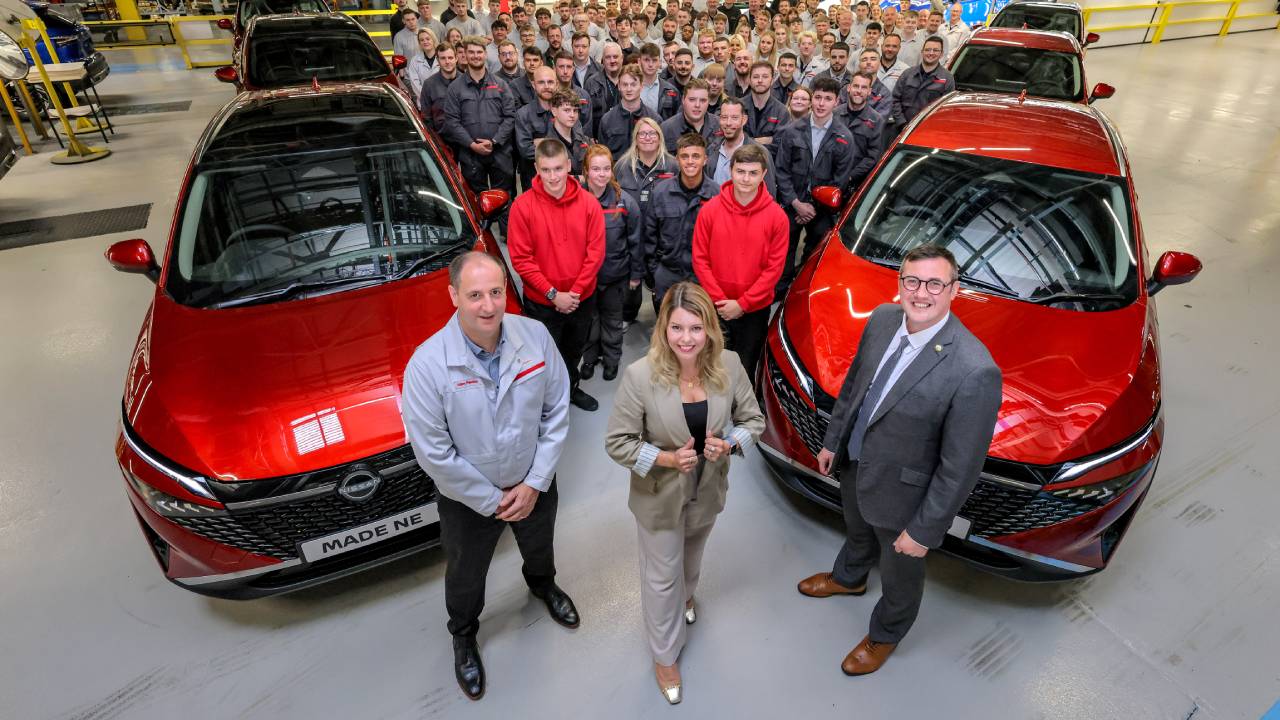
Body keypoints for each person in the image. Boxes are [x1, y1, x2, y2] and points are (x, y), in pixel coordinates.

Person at [796, 244, 1002, 676]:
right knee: (855, 526)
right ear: (900, 284)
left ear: (954, 289)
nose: (920, 293)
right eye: (912, 281)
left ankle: (886, 633)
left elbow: (960, 466)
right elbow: (855, 385)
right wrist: (834, 440)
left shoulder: (973, 369)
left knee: (900, 572)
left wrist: (925, 529)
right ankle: (849, 578)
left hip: (906, 496)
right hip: (855, 461)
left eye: (934, 283)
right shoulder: (883, 319)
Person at [401, 251, 581, 702]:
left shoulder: (535, 336)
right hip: (468, 499)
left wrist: (536, 481)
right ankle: (463, 634)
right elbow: (433, 452)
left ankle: (542, 585)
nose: (488, 306)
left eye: (496, 292)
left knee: (539, 545)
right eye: (475, 295)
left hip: (531, 480)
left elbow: (557, 411)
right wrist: (490, 499)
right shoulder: (428, 364)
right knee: (466, 572)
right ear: (454, 296)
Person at [604, 281, 764, 705]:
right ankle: (665, 655)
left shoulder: (729, 364)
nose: (687, 339)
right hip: (659, 495)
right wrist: (667, 459)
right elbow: (617, 442)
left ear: (710, 328)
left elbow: (754, 421)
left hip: (707, 490)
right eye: (677, 328)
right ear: (663, 329)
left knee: (691, 558)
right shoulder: (640, 376)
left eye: (696, 328)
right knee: (661, 578)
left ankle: (688, 596)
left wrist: (729, 444)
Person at [507, 138, 606, 412]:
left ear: (569, 166)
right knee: (545, 356)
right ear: (536, 169)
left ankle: (572, 388)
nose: (553, 177)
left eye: (558, 168)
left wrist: (573, 293)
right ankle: (550, 401)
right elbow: (521, 259)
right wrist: (553, 294)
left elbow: (595, 253)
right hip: (542, 304)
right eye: (546, 170)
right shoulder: (522, 207)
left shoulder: (588, 204)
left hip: (580, 299)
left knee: (574, 350)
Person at [692, 143, 787, 375]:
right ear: (731, 171)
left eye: (753, 173)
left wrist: (743, 304)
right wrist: (720, 301)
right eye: (740, 171)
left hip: (755, 310)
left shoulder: (777, 217)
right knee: (712, 364)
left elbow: (774, 270)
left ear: (764, 174)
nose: (746, 179)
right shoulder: (710, 211)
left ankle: (740, 410)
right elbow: (700, 259)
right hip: (716, 306)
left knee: (746, 366)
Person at [773, 76, 854, 297]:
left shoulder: (844, 137)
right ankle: (780, 292)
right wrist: (796, 203)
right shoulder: (792, 131)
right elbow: (781, 170)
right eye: (817, 97)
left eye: (827, 99)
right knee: (783, 248)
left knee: (816, 250)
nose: (821, 103)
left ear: (836, 102)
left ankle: (803, 291)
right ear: (811, 100)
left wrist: (812, 210)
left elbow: (840, 181)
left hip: (822, 209)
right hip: (792, 203)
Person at [580, 145, 644, 381]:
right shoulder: (577, 200)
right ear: (586, 171)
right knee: (589, 321)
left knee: (612, 321)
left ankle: (611, 359)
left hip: (614, 275)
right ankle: (589, 358)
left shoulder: (624, 203)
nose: (601, 174)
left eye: (606, 168)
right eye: (595, 169)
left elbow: (636, 241)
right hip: (585, 278)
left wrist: (636, 274)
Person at [645, 132, 720, 311]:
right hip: (667, 274)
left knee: (699, 327)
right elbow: (649, 237)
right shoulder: (660, 193)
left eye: (696, 156)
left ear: (705, 159)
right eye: (684, 156)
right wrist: (656, 272)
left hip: (702, 277)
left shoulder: (717, 195)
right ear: (677, 159)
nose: (690, 161)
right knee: (667, 327)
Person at [442, 37, 517, 203]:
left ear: (485, 54)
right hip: (470, 155)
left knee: (504, 198)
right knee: (475, 201)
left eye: (479, 52)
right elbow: (452, 121)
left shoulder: (501, 85)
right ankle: (483, 230)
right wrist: (472, 145)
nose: (475, 56)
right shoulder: (455, 88)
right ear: (465, 55)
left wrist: (495, 141)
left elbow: (510, 116)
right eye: (471, 52)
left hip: (500, 152)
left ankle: (506, 230)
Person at [707, 97, 776, 198]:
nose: (728, 123)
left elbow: (770, 196)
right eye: (724, 117)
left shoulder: (760, 153)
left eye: (734, 118)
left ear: (744, 120)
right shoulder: (711, 150)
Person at [833, 70, 884, 191]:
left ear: (869, 91)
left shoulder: (876, 120)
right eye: (856, 86)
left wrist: (850, 176)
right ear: (849, 88)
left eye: (864, 87)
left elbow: (872, 157)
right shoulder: (834, 114)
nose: (859, 91)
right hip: (830, 176)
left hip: (855, 183)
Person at [600, 62, 662, 157]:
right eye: (625, 84)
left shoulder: (654, 119)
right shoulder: (607, 120)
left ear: (641, 86)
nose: (629, 89)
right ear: (619, 86)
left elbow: (660, 153)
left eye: (633, 84)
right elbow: (603, 156)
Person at [891, 36, 953, 125]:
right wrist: (901, 123)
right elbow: (895, 99)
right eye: (927, 50)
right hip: (902, 128)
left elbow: (946, 110)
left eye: (935, 50)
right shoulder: (907, 74)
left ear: (941, 54)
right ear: (922, 52)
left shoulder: (947, 78)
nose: (931, 53)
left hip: (928, 129)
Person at [660, 78, 722, 152]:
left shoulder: (720, 125)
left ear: (708, 102)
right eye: (692, 100)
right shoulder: (666, 129)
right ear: (683, 100)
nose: (697, 105)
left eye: (703, 100)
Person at [546, 88, 594, 176]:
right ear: (554, 111)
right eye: (567, 110)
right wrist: (580, 179)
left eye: (575, 110)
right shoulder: (546, 144)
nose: (572, 115)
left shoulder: (584, 140)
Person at [418, 41, 460, 130]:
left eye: (450, 57)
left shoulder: (466, 81)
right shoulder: (429, 84)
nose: (447, 61)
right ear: (437, 60)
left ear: (456, 58)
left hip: (468, 140)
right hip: (441, 139)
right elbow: (426, 118)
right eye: (443, 58)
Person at [638, 43, 681, 119]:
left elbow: (677, 119)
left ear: (660, 62)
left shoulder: (671, 90)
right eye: (646, 60)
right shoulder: (630, 88)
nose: (650, 64)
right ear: (639, 61)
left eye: (654, 60)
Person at [405, 28, 440, 104]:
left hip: (442, 103)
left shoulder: (442, 57)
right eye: (422, 40)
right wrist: (427, 98)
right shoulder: (415, 61)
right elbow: (415, 84)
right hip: (424, 103)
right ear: (419, 43)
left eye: (428, 39)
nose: (425, 42)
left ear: (433, 40)